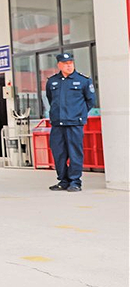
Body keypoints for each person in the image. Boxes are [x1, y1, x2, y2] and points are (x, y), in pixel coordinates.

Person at [45, 52, 96, 192]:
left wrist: (78, 113)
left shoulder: (83, 80)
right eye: (65, 64)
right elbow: (51, 99)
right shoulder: (52, 81)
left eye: (71, 63)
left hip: (74, 123)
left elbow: (90, 101)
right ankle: (63, 181)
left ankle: (75, 182)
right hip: (57, 124)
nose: (69, 66)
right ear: (59, 65)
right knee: (58, 153)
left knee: (75, 153)